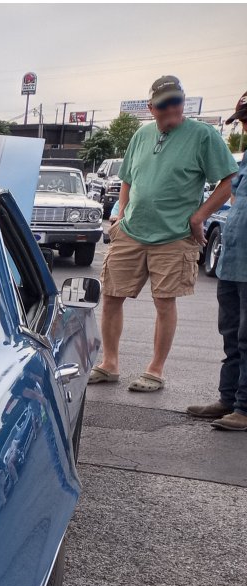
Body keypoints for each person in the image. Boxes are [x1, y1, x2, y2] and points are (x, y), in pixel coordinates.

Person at [89, 76, 238, 392]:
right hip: (131, 232)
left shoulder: (203, 136)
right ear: (151, 107)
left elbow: (228, 182)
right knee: (112, 297)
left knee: (164, 302)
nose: (172, 108)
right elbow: (127, 178)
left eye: (177, 101)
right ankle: (109, 363)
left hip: (173, 237)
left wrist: (200, 217)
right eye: (164, 103)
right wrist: (119, 215)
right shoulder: (141, 134)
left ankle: (154, 370)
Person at [187, 92, 247, 429]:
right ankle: (229, 399)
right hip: (233, 260)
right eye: (242, 119)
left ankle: (244, 408)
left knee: (246, 338)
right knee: (231, 334)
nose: (245, 125)